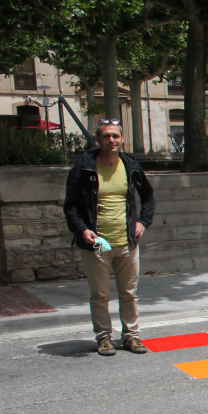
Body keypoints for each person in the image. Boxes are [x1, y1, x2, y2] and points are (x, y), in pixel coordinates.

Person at [64, 118, 155, 356]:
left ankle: (131, 337)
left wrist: (143, 222)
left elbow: (148, 196)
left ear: (122, 139)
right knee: (100, 295)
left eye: (115, 136)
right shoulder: (84, 168)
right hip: (97, 244)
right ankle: (104, 337)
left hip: (127, 243)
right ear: (98, 139)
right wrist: (82, 230)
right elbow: (70, 205)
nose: (111, 140)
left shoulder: (131, 166)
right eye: (106, 136)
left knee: (129, 294)